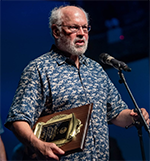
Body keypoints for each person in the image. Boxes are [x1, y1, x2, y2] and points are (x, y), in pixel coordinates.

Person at [5, 5, 149, 161]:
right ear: (56, 31)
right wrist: (38, 144)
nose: (82, 34)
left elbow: (116, 114)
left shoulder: (96, 69)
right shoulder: (39, 69)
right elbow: (18, 119)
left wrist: (133, 116)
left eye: (85, 28)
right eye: (74, 28)